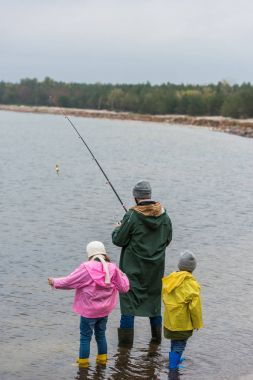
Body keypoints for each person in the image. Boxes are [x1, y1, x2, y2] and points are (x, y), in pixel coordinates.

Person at [48, 241, 130, 368]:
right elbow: (124, 288)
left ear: (89, 253)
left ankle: (83, 363)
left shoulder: (86, 267)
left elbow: (70, 281)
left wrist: (54, 282)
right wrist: (124, 276)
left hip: (89, 311)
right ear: (104, 253)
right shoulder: (112, 268)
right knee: (101, 335)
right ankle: (102, 360)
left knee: (85, 337)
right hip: (104, 310)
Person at [112, 180, 172, 346]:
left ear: (136, 197)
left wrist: (118, 227)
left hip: (132, 270)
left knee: (128, 307)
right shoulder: (164, 215)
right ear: (149, 195)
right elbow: (167, 240)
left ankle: (124, 350)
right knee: (154, 305)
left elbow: (118, 240)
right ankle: (156, 342)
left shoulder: (131, 216)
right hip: (155, 270)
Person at [162, 250, 203, 371]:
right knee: (180, 344)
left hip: (170, 320)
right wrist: (197, 323)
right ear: (193, 268)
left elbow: (165, 298)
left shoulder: (170, 280)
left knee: (175, 341)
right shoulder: (191, 283)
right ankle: (173, 367)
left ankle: (175, 358)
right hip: (182, 323)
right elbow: (195, 307)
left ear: (179, 265)